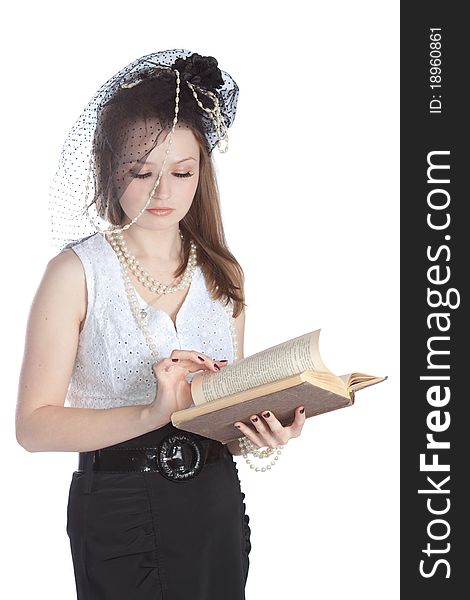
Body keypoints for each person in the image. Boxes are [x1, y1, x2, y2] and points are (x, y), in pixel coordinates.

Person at [15, 50, 306, 600]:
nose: (162, 192)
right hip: (119, 505)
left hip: (215, 502)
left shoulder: (225, 275)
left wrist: (265, 433)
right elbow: (33, 427)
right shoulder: (76, 273)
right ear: (108, 169)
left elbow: (222, 414)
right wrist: (153, 412)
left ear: (202, 171)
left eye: (181, 172)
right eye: (140, 172)